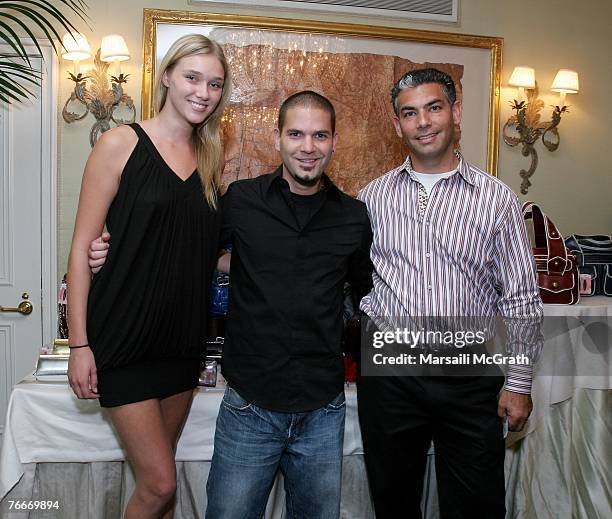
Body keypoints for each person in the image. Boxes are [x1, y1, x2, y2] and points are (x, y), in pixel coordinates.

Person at [88, 91, 373, 518]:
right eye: (296, 133)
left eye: (319, 135)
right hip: (249, 407)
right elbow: (187, 244)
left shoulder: (354, 216)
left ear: (334, 142)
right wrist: (114, 247)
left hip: (323, 408)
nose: (308, 147)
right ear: (278, 137)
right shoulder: (241, 200)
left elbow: (365, 291)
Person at [356, 68, 543, 519]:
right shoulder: (371, 197)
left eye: (434, 107)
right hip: (391, 374)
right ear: (397, 123)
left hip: (469, 373)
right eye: (409, 112)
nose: (423, 122)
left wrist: (518, 384)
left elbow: (520, 298)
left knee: (476, 503)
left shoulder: (496, 199)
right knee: (393, 500)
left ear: (456, 112)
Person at [66, 34, 231, 519]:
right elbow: (81, 247)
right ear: (165, 77)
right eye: (192, 77)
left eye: (215, 84)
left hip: (182, 343)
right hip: (125, 336)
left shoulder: (209, 159)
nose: (203, 92)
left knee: (155, 484)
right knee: (160, 485)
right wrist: (80, 344)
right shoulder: (121, 143)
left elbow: (198, 250)